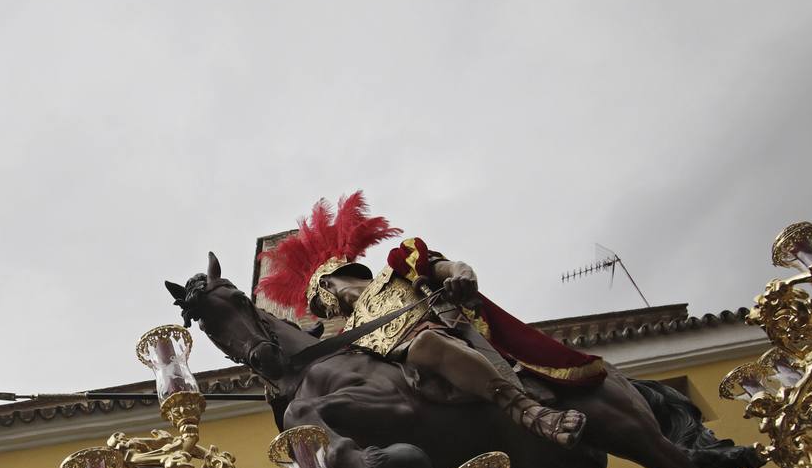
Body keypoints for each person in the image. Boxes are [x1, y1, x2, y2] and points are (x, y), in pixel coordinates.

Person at [258, 192, 605, 448]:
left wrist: (461, 275)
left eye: (324, 297)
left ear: (337, 280)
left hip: (449, 341)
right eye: (322, 304)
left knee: (426, 343)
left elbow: (450, 267)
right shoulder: (348, 336)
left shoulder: (397, 269)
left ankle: (530, 412)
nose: (329, 306)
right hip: (411, 385)